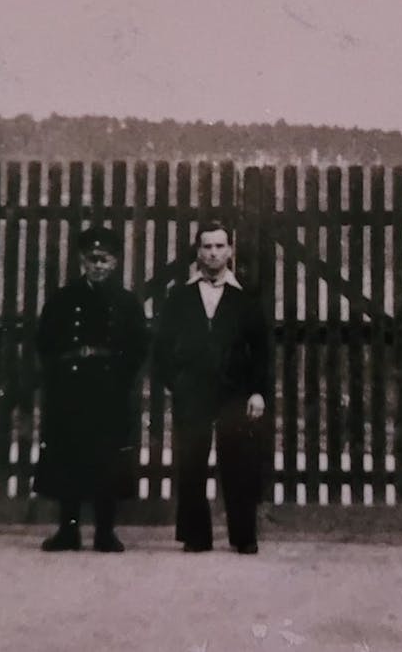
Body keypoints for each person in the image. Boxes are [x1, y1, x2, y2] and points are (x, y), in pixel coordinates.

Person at [153, 220, 273, 554]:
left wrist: (257, 391)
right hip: (192, 392)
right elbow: (161, 347)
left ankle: (243, 536)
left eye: (220, 246)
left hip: (234, 392)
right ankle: (195, 536)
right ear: (198, 251)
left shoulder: (245, 298)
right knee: (191, 461)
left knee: (238, 462)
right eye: (207, 246)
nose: (213, 253)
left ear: (230, 251)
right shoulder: (179, 297)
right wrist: (174, 382)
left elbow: (261, 349)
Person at [32, 226, 149, 552]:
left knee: (108, 459)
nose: (98, 266)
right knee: (68, 456)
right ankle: (68, 532)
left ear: (115, 262)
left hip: (108, 391)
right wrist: (60, 371)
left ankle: (105, 532)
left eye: (105, 260)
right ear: (82, 261)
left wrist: (119, 376)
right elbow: (45, 342)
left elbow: (139, 346)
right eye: (92, 259)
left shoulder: (126, 303)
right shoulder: (63, 299)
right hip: (70, 389)